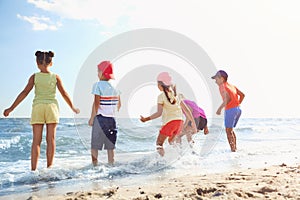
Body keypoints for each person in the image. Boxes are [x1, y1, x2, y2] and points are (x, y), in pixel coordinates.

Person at [3, 51, 80, 171]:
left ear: (37, 63)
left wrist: (11, 108)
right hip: (51, 108)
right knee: (51, 140)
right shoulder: (55, 77)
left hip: (38, 107)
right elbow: (64, 93)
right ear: (51, 63)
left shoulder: (34, 77)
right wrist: (73, 108)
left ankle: (33, 170)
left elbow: (24, 93)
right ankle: (49, 168)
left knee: (36, 141)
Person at [140, 72, 197, 156]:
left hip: (170, 123)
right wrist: (194, 124)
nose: (157, 86)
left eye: (157, 84)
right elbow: (187, 110)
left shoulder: (161, 97)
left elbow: (159, 113)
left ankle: (161, 161)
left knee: (159, 143)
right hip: (179, 122)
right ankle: (179, 157)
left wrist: (146, 119)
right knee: (171, 141)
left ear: (160, 84)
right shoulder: (176, 95)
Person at [88, 61, 121, 166]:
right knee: (110, 146)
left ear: (102, 72)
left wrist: (92, 118)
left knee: (95, 146)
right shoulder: (115, 87)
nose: (97, 74)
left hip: (100, 119)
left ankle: (95, 166)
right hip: (112, 120)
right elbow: (119, 105)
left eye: (98, 71)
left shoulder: (97, 85)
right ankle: (111, 165)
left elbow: (96, 103)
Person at [211, 70, 245, 152]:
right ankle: (234, 149)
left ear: (222, 79)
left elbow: (227, 99)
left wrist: (219, 109)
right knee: (230, 130)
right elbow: (242, 95)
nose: (215, 82)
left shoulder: (222, 86)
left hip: (231, 110)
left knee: (228, 131)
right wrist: (237, 104)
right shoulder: (232, 86)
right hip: (238, 109)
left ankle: (233, 150)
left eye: (216, 79)